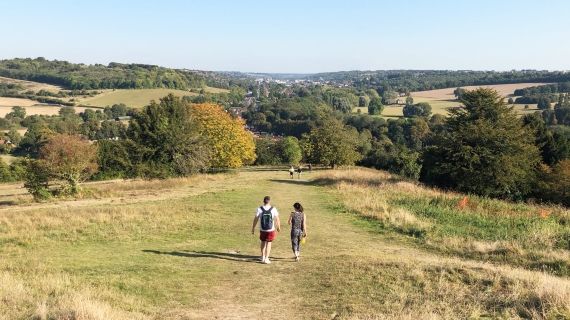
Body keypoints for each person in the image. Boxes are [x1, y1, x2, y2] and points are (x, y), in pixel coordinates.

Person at [251, 196, 280, 264]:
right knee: (269, 243)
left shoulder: (259, 209)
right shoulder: (273, 209)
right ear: (269, 201)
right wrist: (278, 226)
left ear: (263, 201)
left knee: (263, 242)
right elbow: (277, 218)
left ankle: (263, 257)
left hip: (262, 229)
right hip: (271, 230)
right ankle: (266, 258)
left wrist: (253, 227)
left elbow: (256, 219)